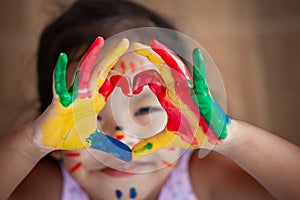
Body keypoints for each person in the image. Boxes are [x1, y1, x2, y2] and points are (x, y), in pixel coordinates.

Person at [1, 0, 300, 199]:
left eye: (143, 109)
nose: (120, 137)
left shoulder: (203, 176)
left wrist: (231, 138)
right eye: (88, 117)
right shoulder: (51, 187)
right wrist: (32, 143)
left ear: (188, 113)